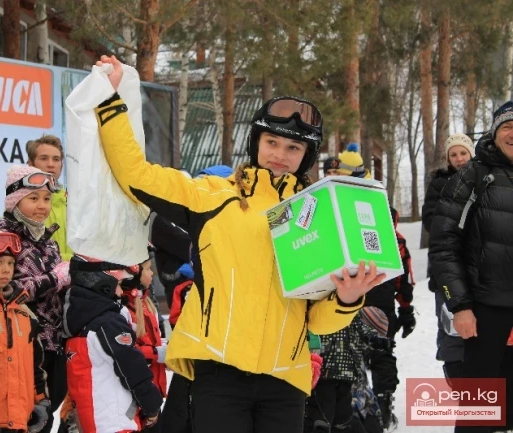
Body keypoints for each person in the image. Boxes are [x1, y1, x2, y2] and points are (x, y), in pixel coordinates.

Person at [78, 55, 386, 433]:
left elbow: (317, 319)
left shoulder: (315, 214)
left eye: (293, 148)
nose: (280, 155)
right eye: (272, 142)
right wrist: (110, 101)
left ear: (306, 155)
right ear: (256, 142)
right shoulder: (212, 195)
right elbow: (135, 175)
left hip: (285, 381)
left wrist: (348, 299)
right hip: (218, 373)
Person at [429, 101, 513, 433]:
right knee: (479, 414)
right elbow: (444, 245)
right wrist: (460, 306)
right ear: (495, 133)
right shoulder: (473, 176)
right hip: (485, 311)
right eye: (507, 126)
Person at [0, 165, 71, 433]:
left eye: (46, 199)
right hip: (20, 348)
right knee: (23, 421)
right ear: (15, 200)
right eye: (33, 198)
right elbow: (6, 289)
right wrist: (56, 278)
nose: (42, 206)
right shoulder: (0, 238)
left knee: (45, 418)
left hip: (53, 345)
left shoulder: (48, 242)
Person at [63, 255, 164, 433]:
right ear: (103, 285)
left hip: (94, 421)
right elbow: (133, 368)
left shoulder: (79, 321)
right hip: (115, 423)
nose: (120, 292)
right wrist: (152, 404)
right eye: (118, 284)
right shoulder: (107, 324)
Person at [0, 227, 50, 433]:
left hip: (20, 422)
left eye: (11, 263)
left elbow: (36, 365)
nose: (6, 269)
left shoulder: (25, 313)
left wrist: (41, 401)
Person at [422, 133, 475, 384]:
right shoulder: (439, 184)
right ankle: (458, 380)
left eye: (463, 153)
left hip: (478, 269)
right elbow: (432, 220)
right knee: (451, 327)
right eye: (453, 154)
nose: (459, 158)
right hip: (447, 270)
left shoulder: (482, 179)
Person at [362, 207, 415, 429]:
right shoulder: (396, 240)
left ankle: (352, 408)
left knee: (348, 355)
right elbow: (403, 279)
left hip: (348, 302)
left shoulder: (348, 231)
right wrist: (406, 310)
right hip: (381, 307)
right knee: (382, 355)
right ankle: (383, 410)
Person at [120, 246, 167, 432]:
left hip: (153, 392)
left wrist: (164, 348)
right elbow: (126, 352)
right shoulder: (124, 309)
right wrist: (156, 353)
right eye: (147, 269)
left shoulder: (146, 304)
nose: (152, 272)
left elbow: (152, 340)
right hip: (136, 398)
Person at [27, 135, 73, 262]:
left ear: (61, 166)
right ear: (30, 164)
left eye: (56, 159)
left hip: (77, 274)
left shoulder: (75, 203)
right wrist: (72, 263)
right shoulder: (20, 203)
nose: (51, 164)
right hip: (40, 274)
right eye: (44, 158)